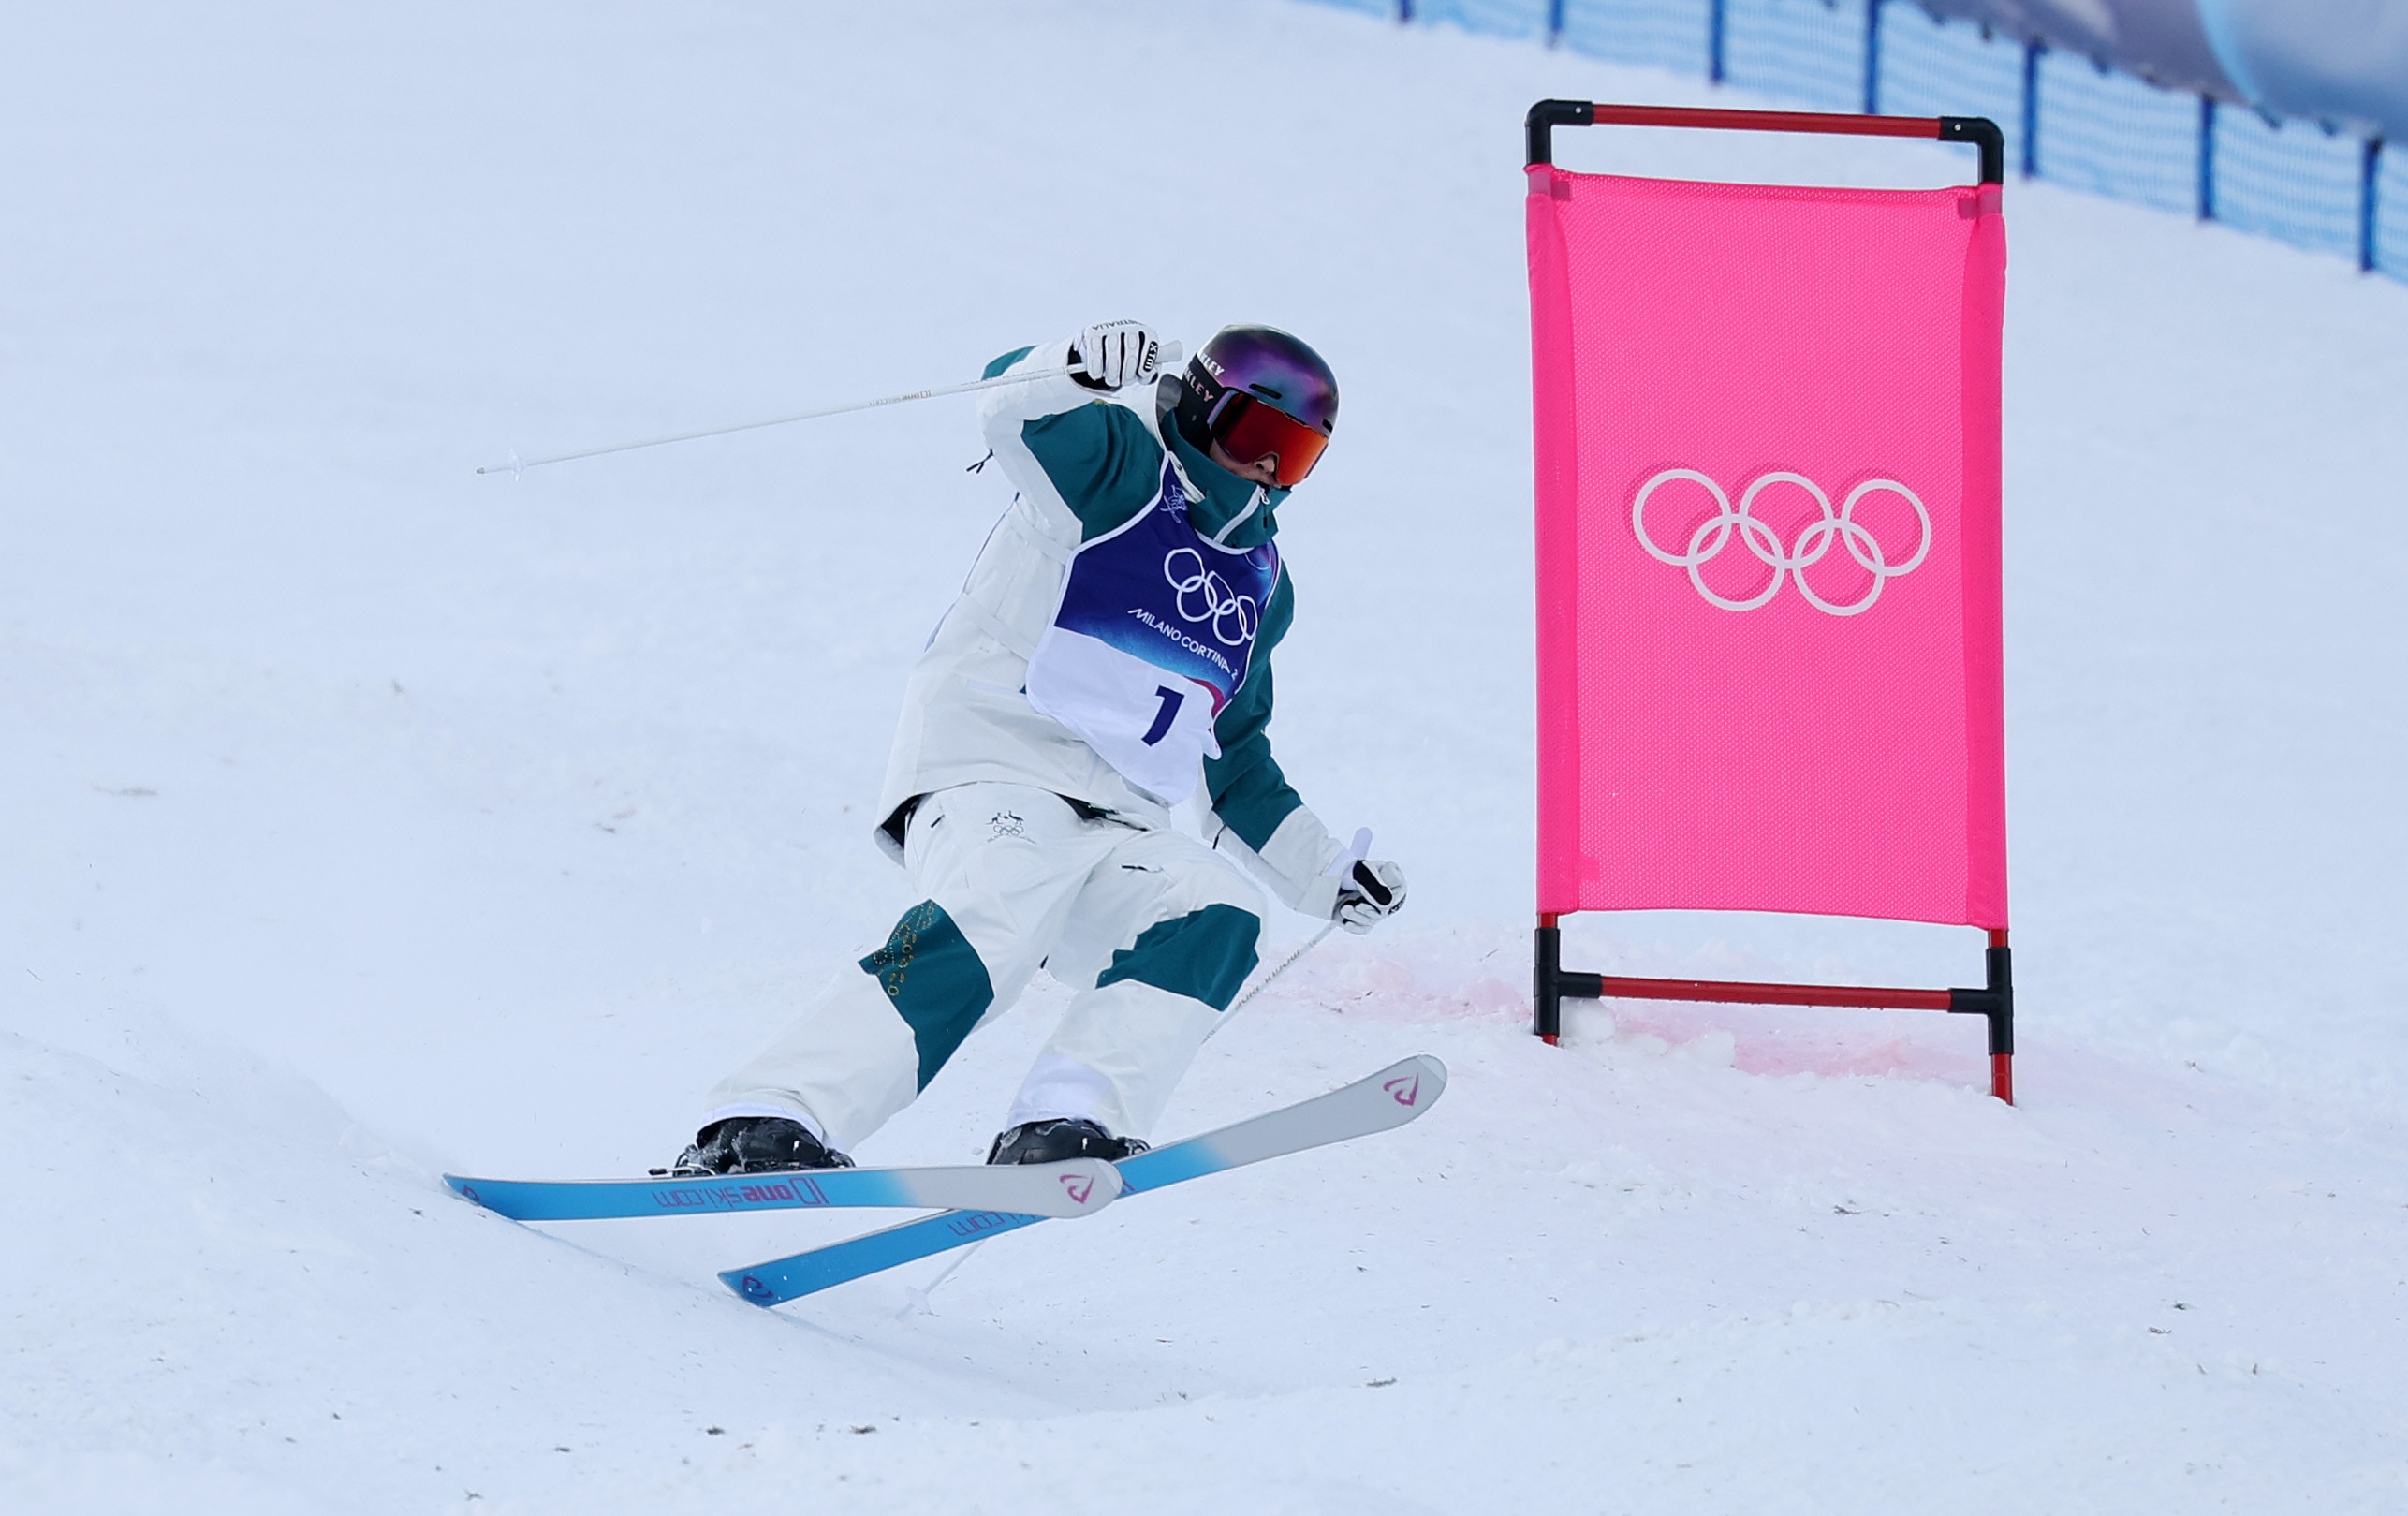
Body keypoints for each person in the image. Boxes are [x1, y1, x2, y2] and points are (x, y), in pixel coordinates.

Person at [672, 320, 1407, 1175]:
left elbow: (1236, 761)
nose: (1271, 471)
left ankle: (1066, 1119)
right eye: (1260, 437)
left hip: (1119, 825)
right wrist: (1071, 365)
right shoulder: (1122, 467)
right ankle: (764, 1114)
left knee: (1219, 909)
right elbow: (1010, 409)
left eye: (1300, 454)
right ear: (1207, 410)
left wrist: (1327, 873)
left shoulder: (1261, 586)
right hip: (994, 767)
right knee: (998, 904)